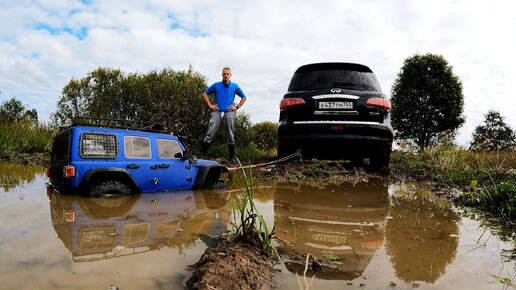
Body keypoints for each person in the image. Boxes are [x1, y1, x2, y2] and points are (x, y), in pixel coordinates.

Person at [201, 67, 246, 160]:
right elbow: (204, 94)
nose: (226, 75)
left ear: (230, 75)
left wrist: (237, 107)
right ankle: (203, 155)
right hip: (217, 111)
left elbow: (244, 97)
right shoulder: (216, 85)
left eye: (227, 74)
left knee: (230, 135)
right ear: (222, 75)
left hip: (228, 112)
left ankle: (231, 157)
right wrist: (210, 105)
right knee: (210, 132)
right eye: (224, 74)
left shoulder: (234, 86)